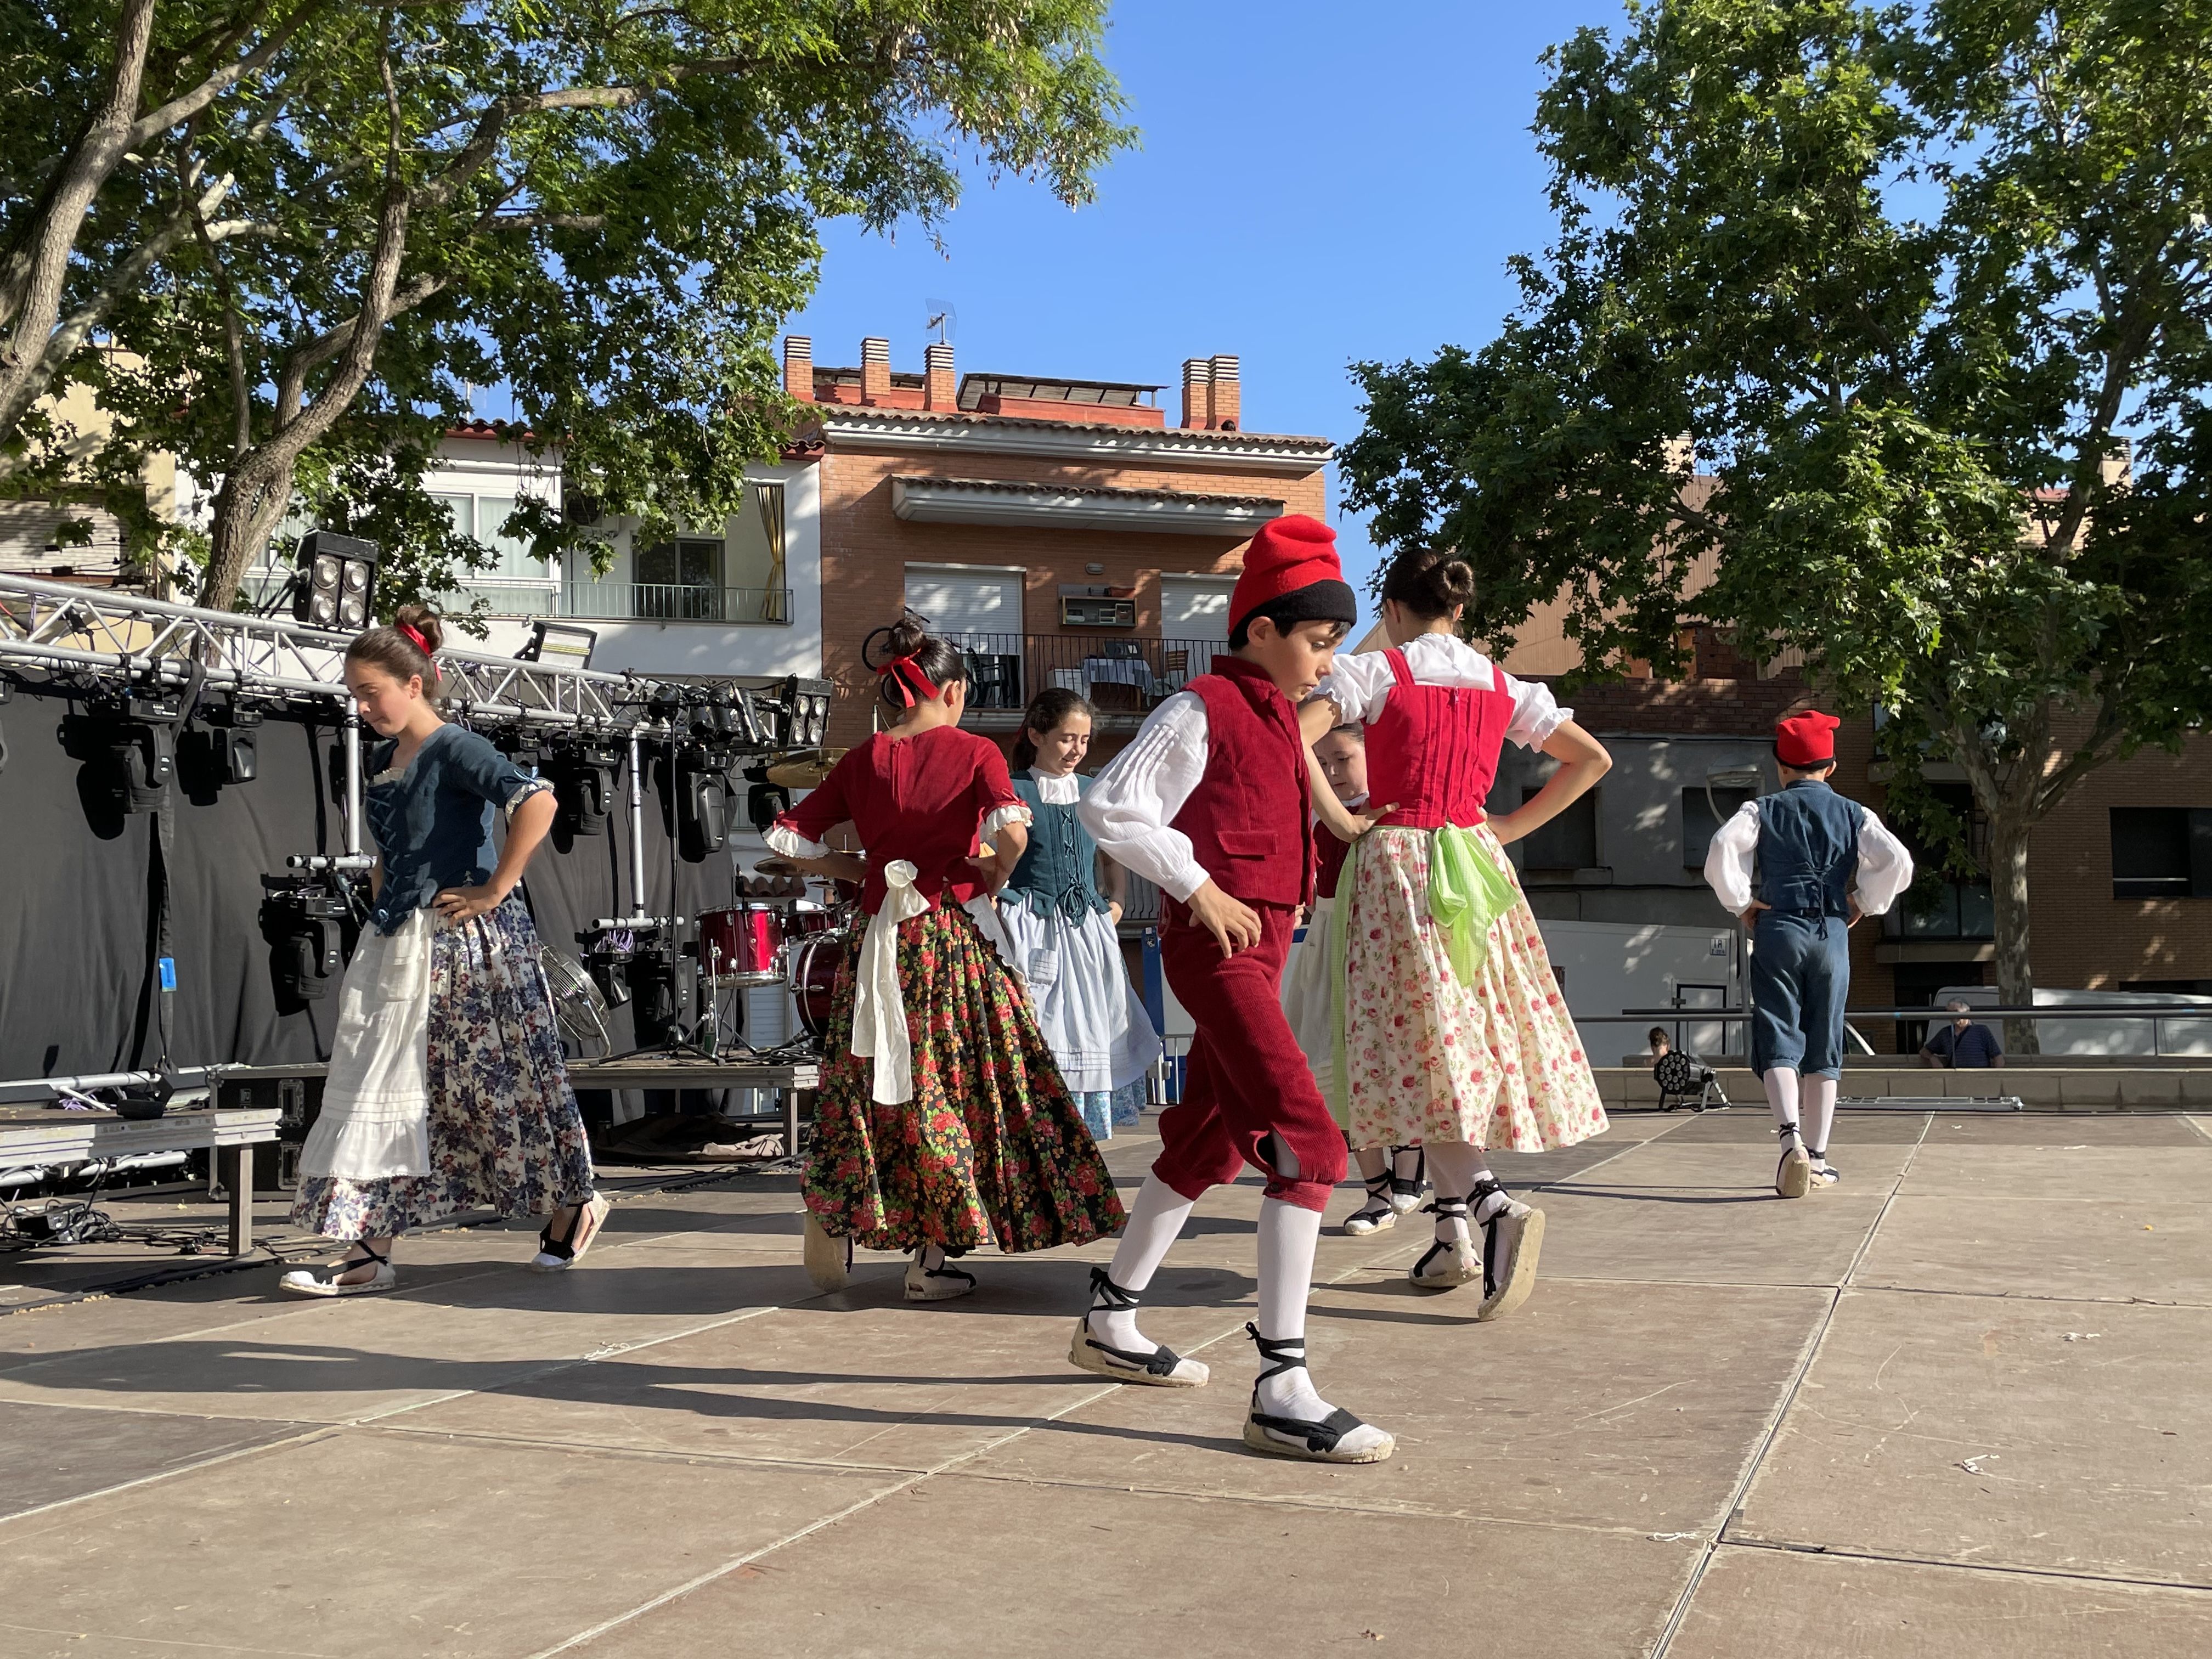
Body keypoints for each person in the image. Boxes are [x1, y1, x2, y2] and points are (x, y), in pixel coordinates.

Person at [1074, 513, 1394, 1464]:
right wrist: (1197, 882)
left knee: (1210, 1138)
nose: (1325, 661)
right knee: (1311, 1141)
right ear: (1260, 629)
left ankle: (1111, 1317)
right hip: (1213, 947)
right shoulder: (1203, 705)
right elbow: (1110, 803)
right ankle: (1281, 1383)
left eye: (1334, 642)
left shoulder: (1274, 720)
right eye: (1315, 640)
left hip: (1259, 947)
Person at [766, 611, 1124, 1302]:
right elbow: (1013, 834)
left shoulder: (862, 760)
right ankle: (930, 1261)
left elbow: (792, 842)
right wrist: (991, 875)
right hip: (945, 940)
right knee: (966, 1086)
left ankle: (839, 1204)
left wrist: (868, 868)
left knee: (868, 1080)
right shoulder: (974, 752)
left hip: (877, 944)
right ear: (952, 690)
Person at [1298, 547, 1611, 1319]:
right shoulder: (1504, 684)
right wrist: (1505, 827)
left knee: (1414, 1054)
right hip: (1473, 863)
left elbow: (1288, 732)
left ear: (1393, 610)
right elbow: (1591, 759)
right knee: (1456, 1044)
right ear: (1461, 611)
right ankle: (1451, 1235)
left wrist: (1339, 818)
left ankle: (1488, 1208)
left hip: (1399, 863)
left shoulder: (1378, 674)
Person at [281, 607, 607, 1295]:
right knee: (381, 1084)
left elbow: (538, 801)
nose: (363, 706)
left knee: (501, 1087)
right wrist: (382, 905)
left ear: (415, 682)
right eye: (356, 694)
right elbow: (386, 849)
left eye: (372, 691)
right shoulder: (381, 758)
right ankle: (369, 1252)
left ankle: (572, 1204)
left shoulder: (456, 746)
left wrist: (497, 887)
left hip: (469, 944)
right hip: (400, 940)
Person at [1703, 711, 1914, 1195]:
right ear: (1832, 767)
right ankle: (1818, 1158)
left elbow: (1721, 848)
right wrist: (1863, 900)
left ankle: (1789, 1141)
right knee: (1826, 1042)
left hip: (1778, 926)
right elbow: (1899, 861)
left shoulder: (1761, 810)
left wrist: (1743, 904)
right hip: (1832, 931)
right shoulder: (1855, 813)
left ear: (1780, 767)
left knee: (1777, 1029)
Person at [996, 686, 1163, 1139]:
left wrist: (1118, 901)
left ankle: (1081, 1133)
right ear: (1036, 734)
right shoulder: (1013, 789)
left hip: (1088, 927)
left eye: (1085, 740)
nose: (1077, 749)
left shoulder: (1092, 790)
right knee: (1044, 1023)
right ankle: (1039, 1128)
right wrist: (1001, 902)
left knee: (1095, 1018)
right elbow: (991, 851)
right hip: (1033, 924)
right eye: (1068, 738)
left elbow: (1113, 852)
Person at [1279, 721, 1425, 1235]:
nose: (1334, 771)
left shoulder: (1392, 814)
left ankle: (1409, 1170)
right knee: (1329, 1063)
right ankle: (1378, 1188)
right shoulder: (1323, 820)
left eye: (1343, 759)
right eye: (1324, 762)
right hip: (1330, 946)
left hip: (1384, 949)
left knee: (1399, 1058)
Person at [1921, 1001, 2005, 1068]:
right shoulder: (1945, 1033)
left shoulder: (1982, 1031)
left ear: (1968, 1013)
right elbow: (1924, 1051)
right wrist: (1933, 1058)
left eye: (1956, 1012)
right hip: (1955, 1080)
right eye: (1949, 1013)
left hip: (1979, 1080)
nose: (1953, 1016)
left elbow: (1998, 1058)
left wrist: (1996, 1079)